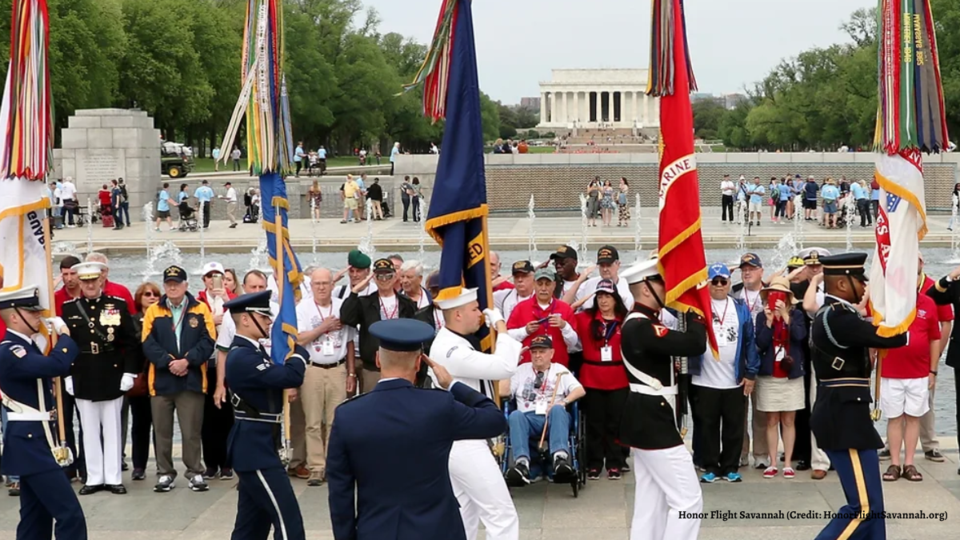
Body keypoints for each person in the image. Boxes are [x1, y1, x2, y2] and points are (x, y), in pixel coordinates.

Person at [327, 318, 505, 540]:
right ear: (419, 363)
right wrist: (453, 385)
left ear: (377, 360)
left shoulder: (348, 415)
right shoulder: (439, 406)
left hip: (377, 531)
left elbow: (339, 494)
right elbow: (495, 420)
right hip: (437, 531)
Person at [810, 253, 908, 540]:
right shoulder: (838, 318)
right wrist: (902, 305)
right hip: (844, 420)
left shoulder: (837, 315)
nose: (866, 286)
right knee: (864, 509)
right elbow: (895, 337)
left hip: (848, 416)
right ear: (842, 283)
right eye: (861, 280)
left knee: (874, 509)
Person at [619, 257, 706, 540]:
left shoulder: (644, 323)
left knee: (651, 501)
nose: (669, 286)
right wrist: (695, 309)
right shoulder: (642, 326)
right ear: (645, 288)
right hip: (652, 418)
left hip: (648, 416)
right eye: (661, 281)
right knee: (688, 501)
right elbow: (695, 344)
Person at [429, 290, 522, 540]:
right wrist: (501, 325)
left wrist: (511, 333)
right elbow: (503, 367)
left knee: (465, 515)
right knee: (501, 515)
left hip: (459, 438)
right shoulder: (451, 351)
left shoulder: (453, 341)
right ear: (457, 314)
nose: (480, 314)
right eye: (474, 309)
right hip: (464, 441)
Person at [0, 287, 87, 539]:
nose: (38, 316)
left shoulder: (27, 346)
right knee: (69, 514)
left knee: (35, 516)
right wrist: (65, 337)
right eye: (31, 311)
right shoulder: (11, 351)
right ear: (14, 317)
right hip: (29, 442)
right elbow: (56, 365)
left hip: (36, 439)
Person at [220, 291, 307, 540]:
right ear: (246, 319)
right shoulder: (242, 356)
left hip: (258, 445)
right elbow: (289, 377)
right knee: (288, 521)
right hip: (254, 450)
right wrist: (299, 352)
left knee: (251, 527)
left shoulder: (252, 352)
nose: (270, 321)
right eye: (264, 316)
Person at [60, 262, 139, 495]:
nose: (90, 285)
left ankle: (113, 477)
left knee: (113, 428)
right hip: (83, 372)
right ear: (80, 283)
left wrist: (129, 372)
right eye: (85, 281)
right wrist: (67, 375)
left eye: (94, 280)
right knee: (89, 428)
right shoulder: (69, 309)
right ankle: (94, 477)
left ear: (101, 280)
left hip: (110, 370)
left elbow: (131, 342)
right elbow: (66, 345)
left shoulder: (116, 305)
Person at [141, 265, 216, 493]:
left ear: (186, 285)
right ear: (164, 286)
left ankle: (194, 472)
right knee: (162, 431)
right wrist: (169, 362)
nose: (172, 287)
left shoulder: (200, 309)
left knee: (191, 430)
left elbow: (208, 340)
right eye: (169, 283)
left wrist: (187, 361)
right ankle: (165, 473)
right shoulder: (154, 311)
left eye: (177, 283)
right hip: (162, 381)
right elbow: (147, 342)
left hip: (191, 379)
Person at [690, 263, 758, 484]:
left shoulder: (740, 308)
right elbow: (673, 307)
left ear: (729, 283)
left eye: (723, 281)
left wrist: (750, 373)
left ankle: (730, 466)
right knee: (707, 426)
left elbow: (750, 342)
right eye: (714, 281)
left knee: (734, 426)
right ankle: (710, 466)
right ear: (707, 283)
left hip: (733, 380)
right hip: (705, 379)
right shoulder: (699, 307)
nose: (719, 286)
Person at [295, 268, 357, 486]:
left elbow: (349, 342)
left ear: (332, 284)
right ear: (311, 286)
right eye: (317, 283)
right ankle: (316, 467)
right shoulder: (303, 308)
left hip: (338, 367)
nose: (321, 287)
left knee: (335, 421)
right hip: (313, 368)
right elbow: (299, 339)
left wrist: (351, 372)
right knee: (312, 421)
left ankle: (333, 465)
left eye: (325, 283)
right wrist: (323, 327)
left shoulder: (342, 307)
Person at [503, 335, 585, 485]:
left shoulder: (560, 370)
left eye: (542, 351)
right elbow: (503, 393)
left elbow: (580, 390)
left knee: (558, 410)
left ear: (551, 353)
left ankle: (559, 459)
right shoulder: (521, 370)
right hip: (528, 418)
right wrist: (511, 364)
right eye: (534, 352)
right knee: (515, 415)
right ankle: (522, 464)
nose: (537, 355)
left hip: (554, 418)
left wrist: (563, 402)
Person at [575, 279, 629, 480]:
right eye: (599, 296)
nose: (603, 300)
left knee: (616, 423)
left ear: (615, 299)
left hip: (618, 377)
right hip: (592, 377)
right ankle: (594, 463)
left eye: (607, 296)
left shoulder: (625, 319)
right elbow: (564, 310)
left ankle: (615, 462)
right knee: (594, 423)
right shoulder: (585, 318)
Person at [753, 277, 807, 479]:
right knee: (771, 419)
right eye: (773, 294)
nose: (776, 299)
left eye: (781, 295)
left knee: (789, 419)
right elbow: (760, 343)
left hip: (790, 375)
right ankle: (772, 461)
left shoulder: (797, 315)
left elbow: (800, 337)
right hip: (770, 375)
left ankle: (787, 462)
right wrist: (768, 322)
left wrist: (786, 317)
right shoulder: (761, 317)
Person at [341, 258, 417, 393]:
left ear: (395, 277)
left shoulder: (407, 303)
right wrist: (354, 292)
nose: (384, 279)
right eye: (379, 276)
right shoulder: (365, 303)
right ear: (374, 278)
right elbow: (346, 318)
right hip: (373, 367)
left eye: (388, 275)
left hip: (401, 365)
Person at [505, 268, 578, 367]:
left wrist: (564, 326)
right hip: (528, 367)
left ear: (554, 285)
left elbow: (573, 343)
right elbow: (507, 336)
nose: (543, 288)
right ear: (534, 284)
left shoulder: (565, 309)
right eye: (540, 284)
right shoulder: (521, 307)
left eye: (547, 284)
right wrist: (525, 331)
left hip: (557, 366)